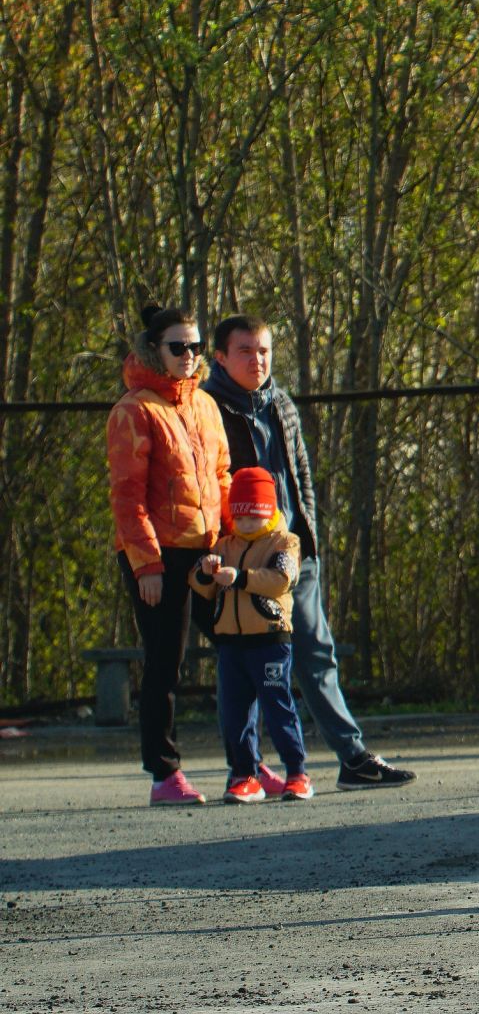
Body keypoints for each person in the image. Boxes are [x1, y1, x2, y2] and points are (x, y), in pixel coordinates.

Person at [204, 315, 415, 791]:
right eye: (245, 351)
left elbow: (301, 474)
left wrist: (306, 540)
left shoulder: (281, 402)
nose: (257, 360)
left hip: (292, 556)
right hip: (238, 565)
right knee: (244, 667)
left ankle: (353, 757)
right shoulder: (207, 408)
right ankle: (248, 769)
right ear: (220, 357)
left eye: (263, 351)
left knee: (316, 653)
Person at [108, 304, 231, 805]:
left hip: (206, 553)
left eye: (196, 347)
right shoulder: (134, 410)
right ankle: (164, 774)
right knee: (166, 663)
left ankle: (246, 761)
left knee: (239, 644)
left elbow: (221, 475)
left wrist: (225, 543)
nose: (189, 356)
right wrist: (148, 566)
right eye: (178, 347)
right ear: (153, 350)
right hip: (159, 555)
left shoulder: (204, 405)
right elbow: (126, 496)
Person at [190, 467, 312, 803]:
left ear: (269, 512)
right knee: (235, 713)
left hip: (270, 641)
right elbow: (202, 590)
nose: (245, 525)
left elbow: (281, 580)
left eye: (253, 517)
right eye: (240, 518)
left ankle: (297, 773)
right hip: (231, 643)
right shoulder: (225, 545)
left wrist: (241, 578)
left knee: (277, 708)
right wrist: (205, 573)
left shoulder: (285, 541)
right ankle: (245, 774)